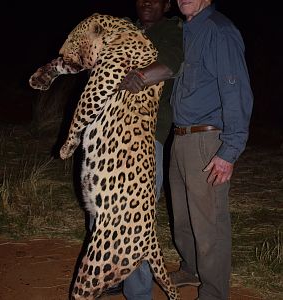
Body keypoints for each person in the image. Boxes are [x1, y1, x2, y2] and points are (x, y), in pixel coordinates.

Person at [168, 0, 253, 299]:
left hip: (206, 139)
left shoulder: (219, 31)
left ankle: (214, 292)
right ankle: (191, 269)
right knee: (182, 216)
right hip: (180, 137)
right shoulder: (188, 30)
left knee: (210, 223)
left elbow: (236, 90)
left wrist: (229, 150)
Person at [106, 0, 186, 299]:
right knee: (105, 211)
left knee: (136, 216)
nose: (147, 3)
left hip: (145, 135)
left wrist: (135, 77)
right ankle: (113, 275)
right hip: (110, 132)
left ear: (167, 4)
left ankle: (138, 292)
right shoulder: (125, 28)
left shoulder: (172, 30)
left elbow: (169, 65)